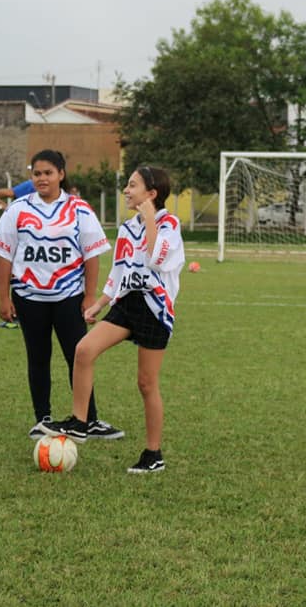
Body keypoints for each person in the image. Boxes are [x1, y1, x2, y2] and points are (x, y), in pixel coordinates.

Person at [43, 165, 185, 473]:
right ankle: (80, 422)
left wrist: (150, 216)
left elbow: (157, 258)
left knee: (146, 383)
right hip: (126, 303)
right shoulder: (126, 228)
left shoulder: (169, 224)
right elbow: (119, 271)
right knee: (83, 350)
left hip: (155, 308)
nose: (126, 190)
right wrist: (100, 302)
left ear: (152, 193)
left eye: (133, 186)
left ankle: (153, 453)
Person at [0, 149, 122, 441]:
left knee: (78, 357)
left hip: (69, 297)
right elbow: (4, 256)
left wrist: (89, 296)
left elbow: (92, 255)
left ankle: (88, 420)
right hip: (28, 297)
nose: (42, 178)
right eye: (37, 173)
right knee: (38, 358)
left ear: (61, 174)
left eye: (48, 173)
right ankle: (43, 419)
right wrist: (4, 297)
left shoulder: (79, 209)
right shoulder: (18, 209)